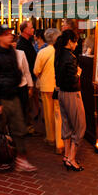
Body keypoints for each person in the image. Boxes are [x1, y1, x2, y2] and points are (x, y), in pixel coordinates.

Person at [0, 24, 37, 172]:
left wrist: (20, 85)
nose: (10, 36)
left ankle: (21, 158)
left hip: (13, 95)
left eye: (11, 33)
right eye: (7, 34)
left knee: (19, 128)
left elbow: (18, 71)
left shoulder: (12, 53)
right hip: (1, 98)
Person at [54, 29, 86, 171]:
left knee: (66, 125)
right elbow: (72, 79)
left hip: (61, 93)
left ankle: (66, 155)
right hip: (72, 94)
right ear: (70, 41)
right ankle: (72, 159)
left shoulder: (59, 54)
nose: (77, 43)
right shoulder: (71, 57)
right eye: (75, 40)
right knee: (80, 126)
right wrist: (78, 73)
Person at [34, 28, 63, 154]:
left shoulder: (42, 52)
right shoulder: (62, 51)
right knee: (59, 114)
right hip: (59, 86)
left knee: (48, 113)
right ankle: (60, 142)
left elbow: (36, 70)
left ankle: (50, 138)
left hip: (46, 86)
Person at [16, 21, 39, 135]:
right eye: (31, 27)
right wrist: (30, 83)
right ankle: (26, 127)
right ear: (25, 30)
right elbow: (25, 66)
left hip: (30, 77)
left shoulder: (28, 42)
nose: (33, 29)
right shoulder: (21, 45)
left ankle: (27, 126)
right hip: (26, 79)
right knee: (26, 105)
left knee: (28, 104)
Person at [12, 35, 34, 127]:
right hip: (11, 87)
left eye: (14, 42)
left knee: (24, 107)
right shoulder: (3, 55)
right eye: (11, 42)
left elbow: (26, 70)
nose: (13, 44)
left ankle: (24, 126)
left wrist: (30, 85)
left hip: (22, 85)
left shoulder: (21, 53)